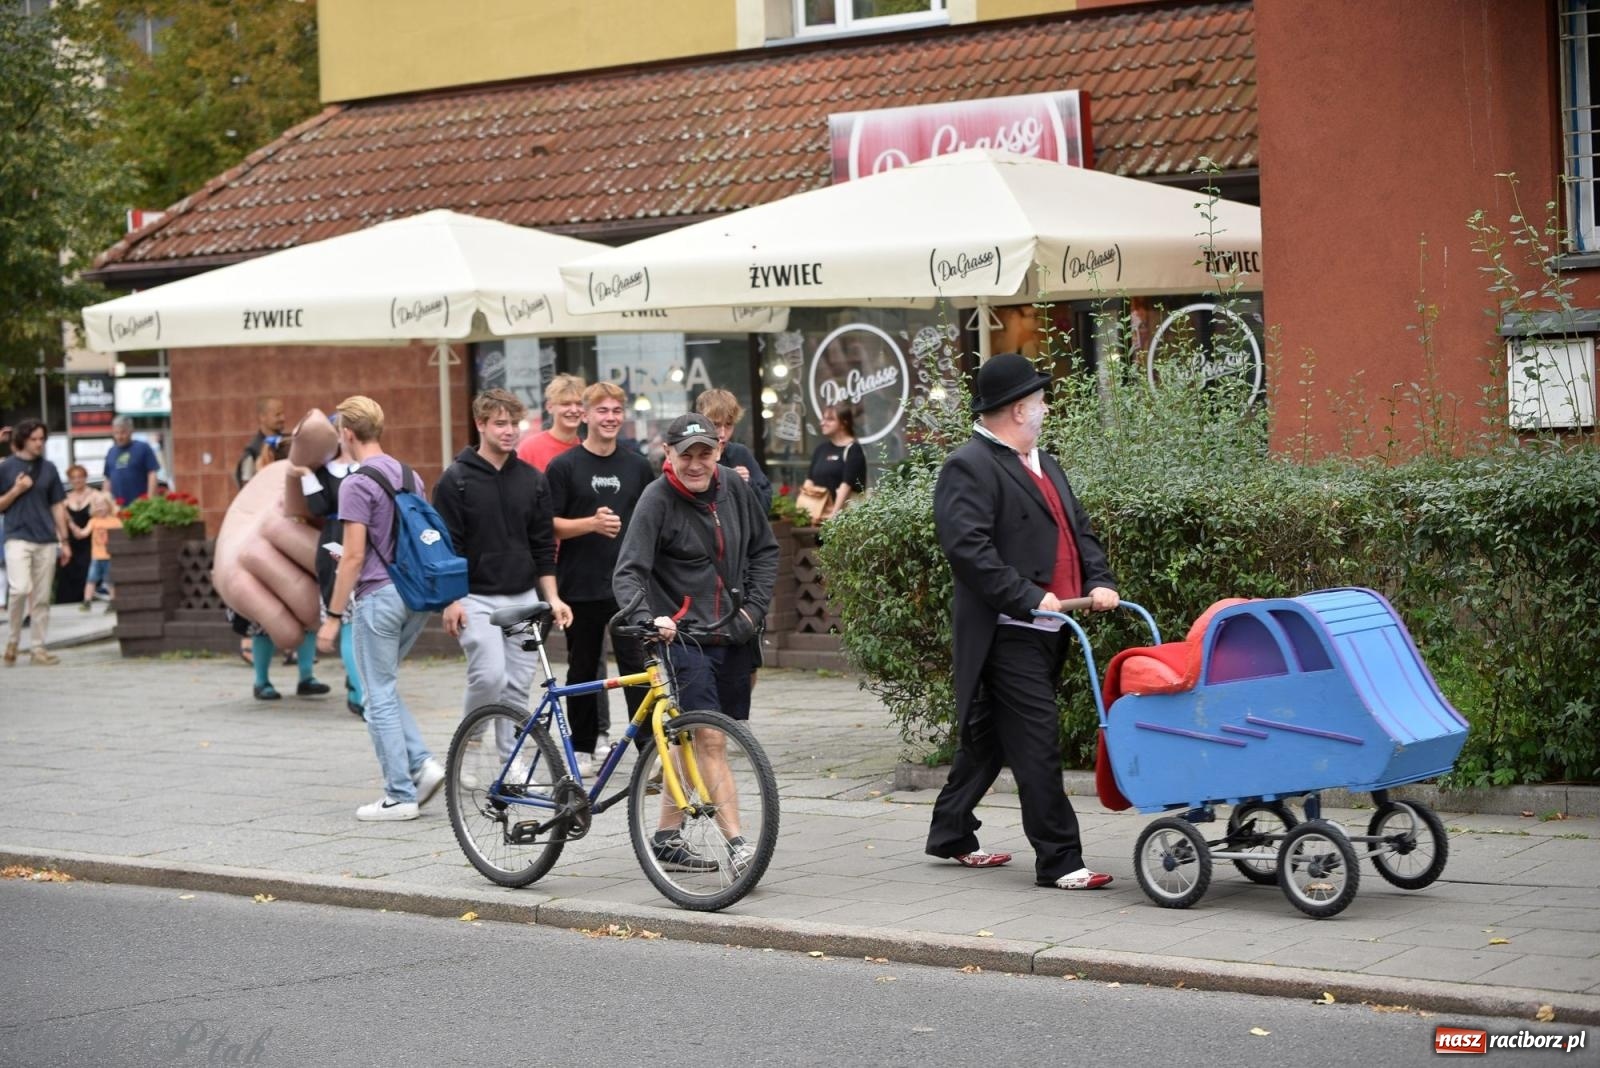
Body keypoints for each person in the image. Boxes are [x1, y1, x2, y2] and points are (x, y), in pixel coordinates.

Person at [923, 353, 1120, 891]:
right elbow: (968, 550)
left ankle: (949, 832)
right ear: (1015, 410)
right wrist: (1028, 596)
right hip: (1009, 630)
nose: (1045, 410)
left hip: (1049, 627)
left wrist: (1098, 579)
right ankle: (1060, 860)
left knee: (988, 738)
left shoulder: (1044, 461)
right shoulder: (970, 465)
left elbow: (1079, 529)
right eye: (1038, 402)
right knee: (1037, 739)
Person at [613, 412, 778, 869]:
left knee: (692, 739)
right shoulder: (656, 499)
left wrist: (753, 612)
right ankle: (738, 844)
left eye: (705, 453)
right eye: (686, 455)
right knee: (709, 738)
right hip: (682, 637)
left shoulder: (733, 486)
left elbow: (765, 550)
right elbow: (628, 572)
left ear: (719, 450)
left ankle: (666, 836)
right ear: (668, 454)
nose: (696, 463)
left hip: (735, 632)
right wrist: (649, 618)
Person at [315, 396, 445, 822]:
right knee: (383, 687)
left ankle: (399, 795)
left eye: (339, 432)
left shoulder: (356, 483)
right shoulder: (410, 474)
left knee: (376, 695)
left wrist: (333, 618)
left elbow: (353, 557)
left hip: (378, 597)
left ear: (347, 434)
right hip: (415, 594)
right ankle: (423, 765)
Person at [432, 389, 572, 727]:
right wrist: (450, 601)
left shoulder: (533, 480)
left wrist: (553, 598)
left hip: (523, 596)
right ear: (480, 424)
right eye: (500, 423)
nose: (509, 431)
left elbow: (542, 546)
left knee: (518, 685)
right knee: (490, 676)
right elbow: (446, 547)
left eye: (514, 423)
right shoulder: (456, 480)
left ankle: (514, 764)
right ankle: (470, 741)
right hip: (474, 596)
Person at [545, 382, 654, 767]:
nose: (609, 418)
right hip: (580, 583)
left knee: (638, 668)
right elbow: (549, 525)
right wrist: (590, 524)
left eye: (615, 411)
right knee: (583, 668)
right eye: (602, 411)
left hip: (629, 586)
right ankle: (583, 747)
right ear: (586, 415)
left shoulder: (638, 465)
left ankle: (647, 750)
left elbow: (651, 520)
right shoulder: (564, 466)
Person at [295, 413, 366, 717]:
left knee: (364, 622)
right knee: (348, 621)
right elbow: (319, 507)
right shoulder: (322, 472)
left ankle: (360, 687)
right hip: (335, 543)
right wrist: (306, 474)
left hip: (366, 547)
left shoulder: (368, 467)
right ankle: (363, 695)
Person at [0, 419, 70, 666]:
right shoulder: (6, 468)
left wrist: (65, 540)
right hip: (17, 536)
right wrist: (17, 490)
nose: (39, 443)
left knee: (41, 597)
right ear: (22, 440)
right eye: (34, 439)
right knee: (19, 589)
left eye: (42, 439)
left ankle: (38, 648)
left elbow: (57, 506)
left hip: (46, 539)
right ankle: (12, 641)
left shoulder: (49, 469)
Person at [695, 388, 773, 514]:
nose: (722, 434)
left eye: (728, 425)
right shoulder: (689, 457)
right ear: (700, 423)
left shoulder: (740, 453)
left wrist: (748, 483)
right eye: (715, 425)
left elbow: (765, 507)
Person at [805, 405, 867, 518]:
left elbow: (846, 485)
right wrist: (804, 509)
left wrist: (834, 515)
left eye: (830, 419)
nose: (823, 423)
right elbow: (809, 481)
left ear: (844, 423)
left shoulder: (853, 449)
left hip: (843, 519)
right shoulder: (821, 449)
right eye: (823, 419)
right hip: (818, 515)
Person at [514, 373, 586, 471]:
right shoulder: (529, 449)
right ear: (549, 407)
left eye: (579, 404)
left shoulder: (588, 449)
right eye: (565, 404)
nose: (574, 410)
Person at [58, 464, 96, 605]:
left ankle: (87, 599)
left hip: (89, 540)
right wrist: (63, 541)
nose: (77, 480)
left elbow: (99, 516)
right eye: (73, 478)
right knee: (68, 571)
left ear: (85, 478)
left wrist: (86, 530)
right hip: (71, 541)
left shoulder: (94, 495)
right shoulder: (65, 498)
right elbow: (59, 520)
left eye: (80, 477)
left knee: (87, 570)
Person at [103, 416, 161, 506]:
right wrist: (105, 501)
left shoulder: (143, 448)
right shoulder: (111, 451)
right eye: (116, 433)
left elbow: (152, 474)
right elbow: (108, 479)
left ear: (131, 431)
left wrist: (150, 499)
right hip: (117, 506)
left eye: (123, 433)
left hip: (140, 505)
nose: (119, 436)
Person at [80, 494, 122, 612]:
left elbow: (122, 534)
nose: (100, 508)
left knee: (110, 581)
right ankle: (87, 601)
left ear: (109, 506)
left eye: (102, 505)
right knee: (90, 579)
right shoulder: (93, 521)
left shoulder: (115, 521)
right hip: (96, 557)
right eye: (97, 505)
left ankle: (113, 602)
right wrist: (74, 528)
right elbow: (84, 533)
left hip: (110, 556)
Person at [236, 397, 287, 486]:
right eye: (277, 415)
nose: (283, 418)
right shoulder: (253, 451)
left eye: (283, 414)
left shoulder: (287, 444)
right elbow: (246, 488)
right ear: (262, 417)